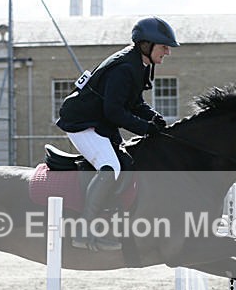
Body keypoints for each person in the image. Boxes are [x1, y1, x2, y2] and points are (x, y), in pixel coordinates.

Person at [56, 16, 179, 251]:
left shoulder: (138, 64)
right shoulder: (125, 68)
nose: (168, 52)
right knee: (110, 166)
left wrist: (152, 117)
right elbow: (113, 111)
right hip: (81, 124)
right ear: (146, 45)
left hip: (98, 122)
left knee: (125, 161)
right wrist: (145, 128)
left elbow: (133, 103)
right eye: (164, 47)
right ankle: (84, 231)